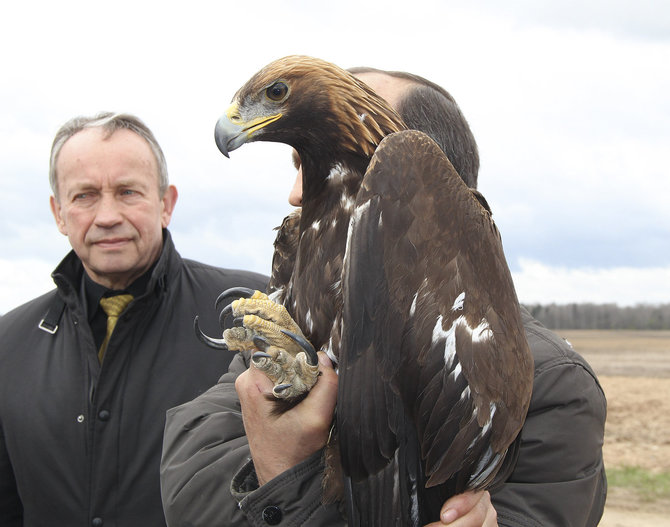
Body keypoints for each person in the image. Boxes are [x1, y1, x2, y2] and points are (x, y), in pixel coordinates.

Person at [160, 70, 607, 526]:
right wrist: (286, 461)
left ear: (430, 178)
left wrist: (286, 472)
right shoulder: (293, 308)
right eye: (298, 166)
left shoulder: (553, 384)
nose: (295, 194)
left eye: (323, 164)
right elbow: (187, 485)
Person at [0, 112, 267, 526]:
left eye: (127, 192)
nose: (107, 216)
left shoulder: (253, 312)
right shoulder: (7, 345)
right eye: (85, 195)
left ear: (166, 204)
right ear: (58, 213)